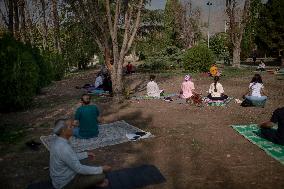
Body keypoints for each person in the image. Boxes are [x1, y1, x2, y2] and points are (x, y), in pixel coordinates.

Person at [50, 119, 111, 189]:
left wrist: (86, 154)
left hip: (63, 177)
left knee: (87, 159)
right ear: (63, 131)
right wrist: (101, 169)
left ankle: (91, 178)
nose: (73, 127)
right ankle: (95, 182)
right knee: (102, 175)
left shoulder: (58, 141)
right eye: (70, 126)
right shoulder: (64, 148)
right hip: (65, 184)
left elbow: (71, 156)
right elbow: (79, 168)